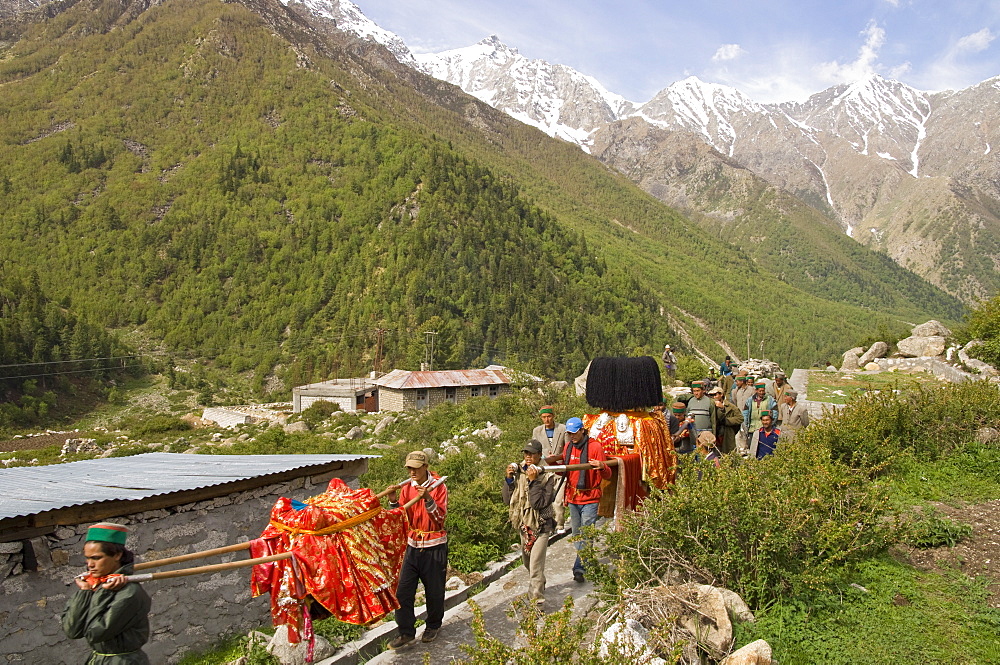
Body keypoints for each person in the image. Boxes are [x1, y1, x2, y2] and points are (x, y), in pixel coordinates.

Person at [61, 523, 152, 665]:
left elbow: (94, 633)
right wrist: (84, 592)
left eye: (96, 558)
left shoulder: (130, 593)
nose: (90, 565)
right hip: (98, 660)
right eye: (88, 558)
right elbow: (72, 631)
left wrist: (105, 592)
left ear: (117, 555)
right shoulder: (93, 586)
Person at [387, 451, 448, 649]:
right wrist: (393, 501)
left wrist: (428, 499)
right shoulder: (407, 488)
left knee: (434, 590)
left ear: (425, 467)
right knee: (403, 591)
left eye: (415, 468)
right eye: (409, 468)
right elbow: (400, 517)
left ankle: (433, 625)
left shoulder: (439, 486)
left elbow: (439, 518)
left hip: (434, 545)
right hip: (413, 544)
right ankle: (406, 632)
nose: (412, 471)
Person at [502, 440, 558, 606]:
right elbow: (507, 499)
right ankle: (540, 582)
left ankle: (536, 603)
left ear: (539, 455)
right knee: (527, 563)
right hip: (524, 524)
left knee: (535, 566)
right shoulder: (520, 471)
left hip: (541, 525)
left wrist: (533, 482)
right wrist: (509, 479)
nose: (528, 456)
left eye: (532, 453)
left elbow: (538, 504)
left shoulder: (547, 476)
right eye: (526, 453)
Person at [562, 416, 611, 583]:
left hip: (590, 497)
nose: (572, 436)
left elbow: (608, 474)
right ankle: (587, 560)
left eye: (575, 433)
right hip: (573, 497)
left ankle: (579, 567)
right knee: (576, 533)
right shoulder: (568, 447)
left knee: (586, 532)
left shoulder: (595, 447)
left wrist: (602, 466)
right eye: (569, 433)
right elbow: (565, 473)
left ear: (582, 430)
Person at [534, 406, 568, 532]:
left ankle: (560, 524)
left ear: (553, 416)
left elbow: (568, 449)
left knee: (558, 500)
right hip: (545, 471)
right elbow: (535, 450)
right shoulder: (537, 431)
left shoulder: (562, 429)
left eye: (549, 416)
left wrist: (557, 457)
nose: (547, 419)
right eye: (544, 417)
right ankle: (548, 525)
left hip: (560, 470)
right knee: (546, 500)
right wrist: (544, 458)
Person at [709, 386, 744, 454]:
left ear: (721, 394)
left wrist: (727, 421)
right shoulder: (710, 405)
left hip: (727, 433)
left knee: (728, 454)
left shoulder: (731, 406)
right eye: (712, 395)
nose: (714, 397)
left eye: (715, 395)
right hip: (715, 433)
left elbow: (740, 418)